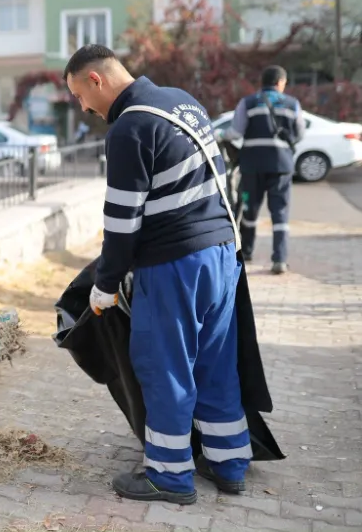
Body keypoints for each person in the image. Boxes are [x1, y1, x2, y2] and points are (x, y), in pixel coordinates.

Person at [63, 44, 251, 505]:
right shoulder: (183, 101)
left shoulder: (130, 127)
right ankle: (229, 463)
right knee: (216, 361)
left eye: (80, 96)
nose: (83, 108)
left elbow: (122, 220)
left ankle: (169, 475)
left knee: (165, 367)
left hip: (175, 264)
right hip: (220, 253)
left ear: (96, 80)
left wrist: (105, 284)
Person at [221, 65, 304, 274]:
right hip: (281, 166)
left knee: (249, 209)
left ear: (262, 82)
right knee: (280, 213)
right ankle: (279, 260)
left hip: (252, 166)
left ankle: (246, 252)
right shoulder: (292, 104)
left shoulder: (247, 102)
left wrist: (221, 135)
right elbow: (299, 134)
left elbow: (235, 132)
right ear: (281, 82)